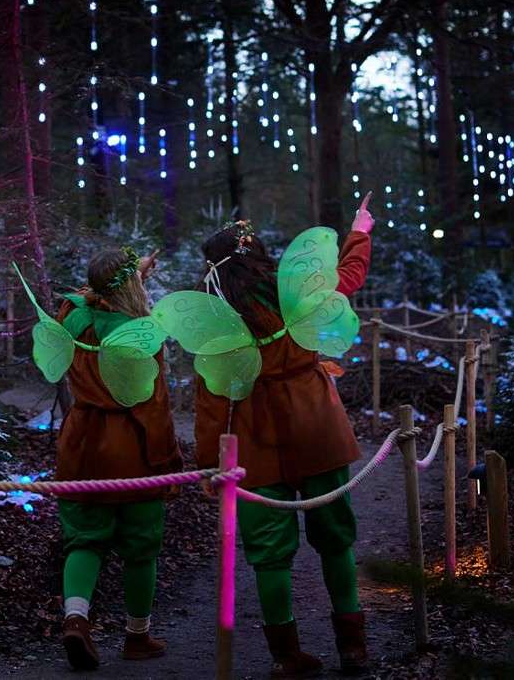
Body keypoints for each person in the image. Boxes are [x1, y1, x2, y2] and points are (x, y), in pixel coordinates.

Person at [195, 194, 375, 678]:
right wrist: (359, 229)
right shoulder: (291, 288)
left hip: (254, 438)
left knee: (269, 554)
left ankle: (285, 655)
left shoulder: (214, 318)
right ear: (257, 254)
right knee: (336, 538)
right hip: (315, 422)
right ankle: (352, 648)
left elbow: (212, 398)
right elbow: (347, 279)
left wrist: (213, 461)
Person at [52, 246, 182, 671]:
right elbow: (155, 406)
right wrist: (168, 463)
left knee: (85, 539)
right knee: (140, 547)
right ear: (129, 287)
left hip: (82, 445)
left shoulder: (72, 319)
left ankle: (75, 619)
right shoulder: (141, 335)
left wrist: (123, 277)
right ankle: (137, 636)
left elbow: (77, 298)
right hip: (133, 451)